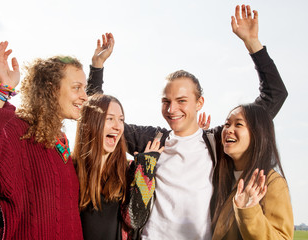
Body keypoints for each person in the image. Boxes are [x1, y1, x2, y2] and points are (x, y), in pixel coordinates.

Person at [88, 4, 288, 239]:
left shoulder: (217, 142)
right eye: (166, 101)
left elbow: (275, 95)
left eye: (181, 100)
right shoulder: (150, 140)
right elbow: (98, 118)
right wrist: (97, 67)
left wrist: (253, 44)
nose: (172, 109)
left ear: (199, 102)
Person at [0, 34, 114, 239]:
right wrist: (2, 90)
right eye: (76, 88)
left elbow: (93, 108)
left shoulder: (59, 143)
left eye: (84, 88)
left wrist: (97, 65)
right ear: (51, 89)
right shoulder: (18, 131)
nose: (84, 95)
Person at [73, 94, 163, 240]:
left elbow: (136, 219)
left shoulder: (125, 172)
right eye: (110, 118)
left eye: (121, 119)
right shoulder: (70, 170)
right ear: (90, 122)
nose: (118, 126)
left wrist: (146, 167)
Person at [210, 104, 293, 240]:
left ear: (257, 134)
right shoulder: (221, 177)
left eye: (238, 124)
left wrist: (249, 211)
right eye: (227, 124)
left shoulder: (272, 182)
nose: (229, 130)